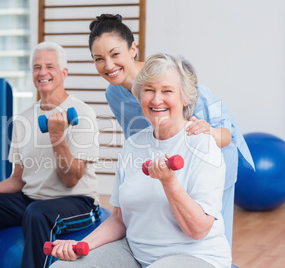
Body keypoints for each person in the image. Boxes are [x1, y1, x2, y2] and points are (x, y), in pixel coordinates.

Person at [49, 53, 231, 268]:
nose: (156, 100)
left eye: (167, 91)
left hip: (196, 256)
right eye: (149, 90)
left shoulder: (203, 145)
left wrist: (169, 182)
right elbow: (119, 218)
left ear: (185, 98)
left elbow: (199, 230)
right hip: (134, 254)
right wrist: (81, 245)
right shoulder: (134, 145)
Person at [87, 14, 254, 246]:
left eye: (115, 54)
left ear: (132, 49)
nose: (108, 65)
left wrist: (211, 134)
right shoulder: (113, 94)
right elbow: (136, 140)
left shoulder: (169, 77)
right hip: (171, 163)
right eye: (98, 58)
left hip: (212, 156)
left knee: (211, 232)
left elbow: (227, 133)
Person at [0, 41, 101, 268]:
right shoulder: (23, 120)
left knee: (37, 213)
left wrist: (57, 137)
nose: (42, 73)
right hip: (31, 201)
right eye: (36, 67)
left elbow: (71, 180)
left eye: (49, 66)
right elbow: (19, 179)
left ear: (64, 72)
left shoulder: (83, 114)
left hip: (77, 202)